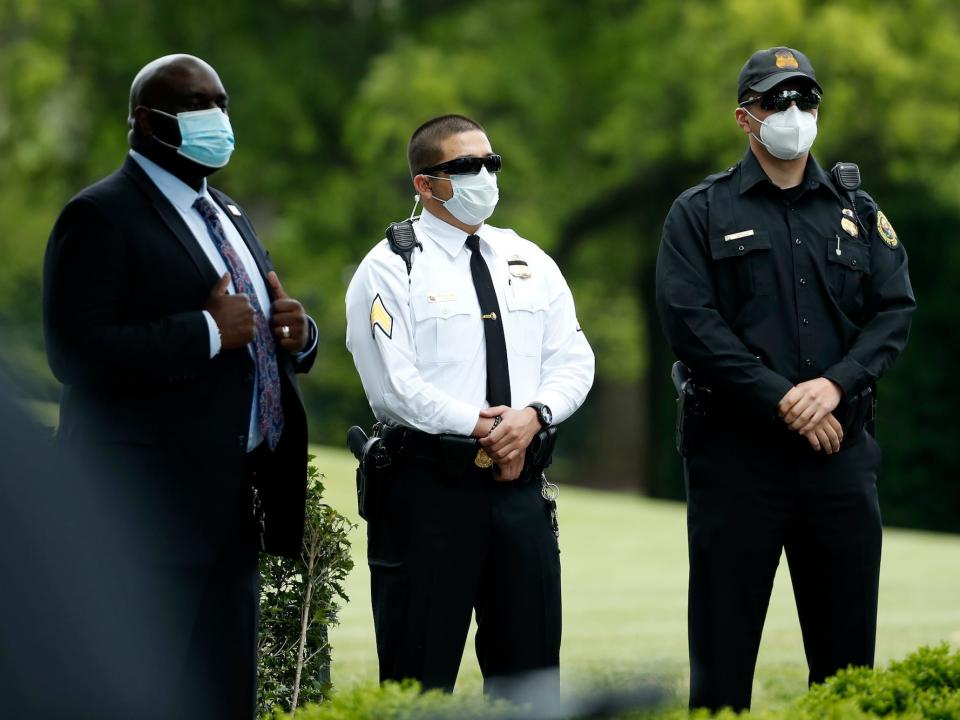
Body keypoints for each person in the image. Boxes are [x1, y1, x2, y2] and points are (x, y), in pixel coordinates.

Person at [42, 54, 317, 719]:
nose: (217, 119)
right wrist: (202, 330)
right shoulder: (99, 216)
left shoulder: (224, 210)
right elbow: (74, 352)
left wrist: (297, 334)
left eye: (221, 102)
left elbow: (259, 319)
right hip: (141, 515)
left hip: (231, 506)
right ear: (146, 120)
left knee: (224, 699)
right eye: (198, 105)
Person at [656, 47, 916, 712]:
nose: (793, 113)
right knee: (722, 656)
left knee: (846, 665)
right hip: (736, 460)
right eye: (777, 100)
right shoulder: (699, 212)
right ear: (746, 118)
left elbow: (893, 312)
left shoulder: (857, 210)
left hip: (839, 456)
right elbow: (693, 327)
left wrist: (834, 386)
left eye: (805, 99)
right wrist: (783, 399)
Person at [345, 114, 594, 702]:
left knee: (530, 685)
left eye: (491, 163)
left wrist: (532, 417)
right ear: (425, 185)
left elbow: (575, 359)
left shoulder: (528, 259)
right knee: (417, 684)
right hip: (431, 494)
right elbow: (393, 385)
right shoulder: (389, 266)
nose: (485, 175)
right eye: (466, 166)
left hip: (520, 493)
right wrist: (482, 427)